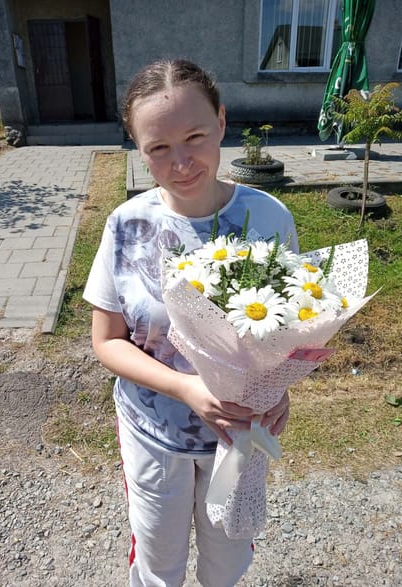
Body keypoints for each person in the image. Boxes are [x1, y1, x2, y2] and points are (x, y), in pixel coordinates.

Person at [83, 59, 299, 587]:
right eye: (158, 147)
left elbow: (290, 328)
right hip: (154, 435)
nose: (181, 161)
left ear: (222, 122)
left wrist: (280, 387)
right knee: (159, 567)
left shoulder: (270, 219)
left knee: (227, 565)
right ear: (138, 149)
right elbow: (107, 342)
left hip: (239, 439)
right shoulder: (128, 226)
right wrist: (185, 387)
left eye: (195, 136)